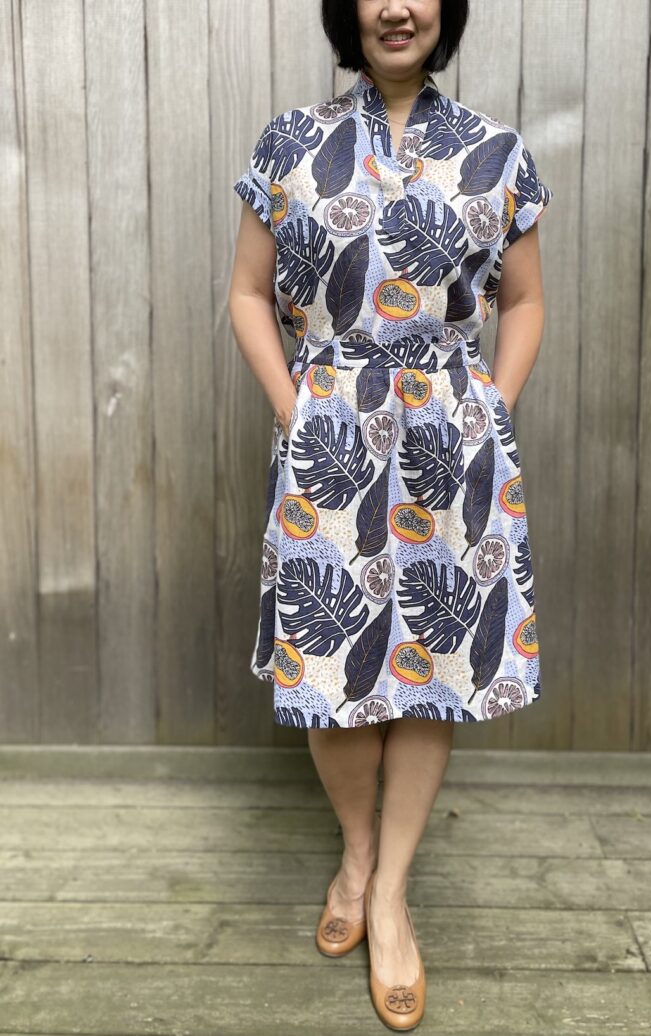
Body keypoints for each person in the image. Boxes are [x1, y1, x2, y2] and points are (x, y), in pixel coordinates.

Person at [228, 0, 552, 1028]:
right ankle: (356, 857)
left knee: (430, 667)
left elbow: (525, 300)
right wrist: (296, 408)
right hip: (329, 445)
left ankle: (393, 892)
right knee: (334, 669)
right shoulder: (292, 141)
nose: (396, 6)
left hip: (451, 450)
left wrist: (489, 408)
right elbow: (246, 293)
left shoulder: (496, 152)